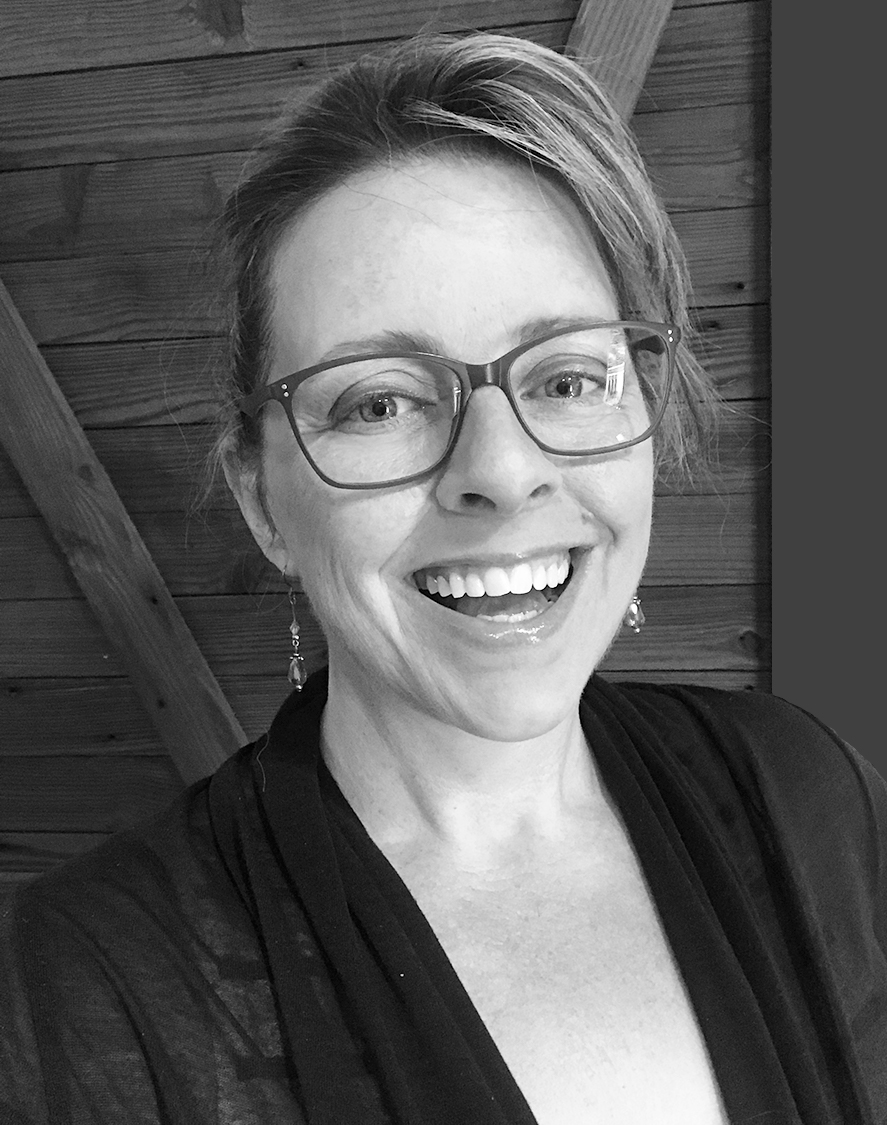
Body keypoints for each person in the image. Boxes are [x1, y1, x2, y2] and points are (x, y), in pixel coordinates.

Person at [2, 32, 885, 1125]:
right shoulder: (95, 985)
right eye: (379, 401)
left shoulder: (805, 793)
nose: (501, 473)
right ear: (264, 501)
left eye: (566, 377)